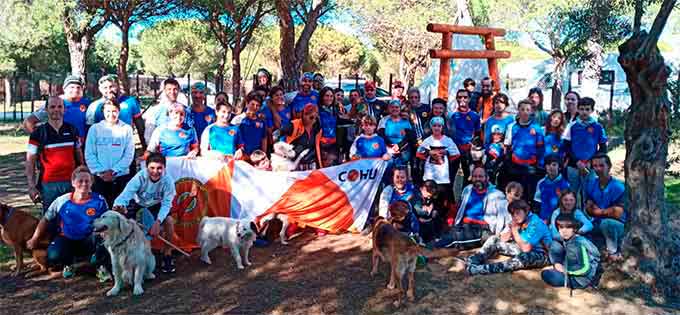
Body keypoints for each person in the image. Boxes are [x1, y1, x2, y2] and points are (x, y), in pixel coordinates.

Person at [27, 166, 109, 279]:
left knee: (103, 239)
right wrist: (34, 239)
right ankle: (69, 264)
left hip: (89, 239)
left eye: (87, 181)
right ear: (73, 183)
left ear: (92, 182)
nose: (84, 184)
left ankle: (101, 268)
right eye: (80, 181)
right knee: (53, 255)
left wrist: (105, 231)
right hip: (68, 238)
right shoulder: (62, 200)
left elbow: (108, 220)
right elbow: (45, 219)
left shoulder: (99, 200)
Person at [113, 153, 177, 274]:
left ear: (164, 168)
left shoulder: (168, 180)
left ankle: (167, 254)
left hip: (157, 206)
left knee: (169, 221)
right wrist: (118, 206)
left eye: (159, 168)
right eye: (152, 168)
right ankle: (135, 259)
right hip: (140, 206)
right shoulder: (139, 177)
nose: (155, 171)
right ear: (146, 167)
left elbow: (167, 204)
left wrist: (158, 222)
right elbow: (125, 195)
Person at [26, 96, 84, 213]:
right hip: (48, 185)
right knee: (50, 221)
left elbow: (79, 157)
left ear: (64, 109)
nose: (56, 110)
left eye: (59, 106)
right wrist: (32, 187)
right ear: (46, 110)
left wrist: (82, 178)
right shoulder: (38, 133)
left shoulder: (73, 130)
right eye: (52, 107)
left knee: (72, 217)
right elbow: (30, 162)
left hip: (71, 182)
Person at [466, 199, 552, 275]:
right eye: (512, 214)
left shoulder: (536, 223)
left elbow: (526, 248)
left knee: (523, 258)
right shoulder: (520, 220)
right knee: (494, 239)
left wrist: (514, 230)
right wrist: (511, 229)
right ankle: (474, 260)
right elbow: (503, 239)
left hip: (542, 255)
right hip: (522, 249)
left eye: (518, 213)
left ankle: (482, 269)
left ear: (526, 211)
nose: (515, 216)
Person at [432, 167, 510, 249]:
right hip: (464, 225)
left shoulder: (497, 195)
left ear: (487, 178)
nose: (477, 179)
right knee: (443, 235)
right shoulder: (467, 189)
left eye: (480, 176)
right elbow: (458, 207)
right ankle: (427, 249)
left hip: (482, 229)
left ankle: (428, 251)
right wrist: (451, 220)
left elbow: (507, 216)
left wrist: (506, 232)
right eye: (475, 176)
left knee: (453, 240)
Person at [85, 99, 136, 207]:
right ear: (103, 112)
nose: (111, 114)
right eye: (108, 111)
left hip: (120, 177)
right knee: (99, 211)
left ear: (118, 111)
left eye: (114, 111)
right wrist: (101, 172)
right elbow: (89, 154)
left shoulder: (126, 129)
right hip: (100, 178)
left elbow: (129, 154)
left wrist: (114, 171)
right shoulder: (95, 129)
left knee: (119, 211)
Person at [562, 97, 608, 207]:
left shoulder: (598, 127)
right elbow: (566, 146)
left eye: (587, 109)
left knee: (588, 192)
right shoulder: (572, 126)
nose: (584, 112)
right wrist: (577, 161)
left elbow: (602, 148)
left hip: (590, 166)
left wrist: (592, 162)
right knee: (572, 193)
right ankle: (572, 216)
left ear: (592, 110)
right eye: (582, 109)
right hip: (573, 166)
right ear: (578, 109)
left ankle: (588, 217)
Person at [584, 153, 626, 262]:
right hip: (597, 222)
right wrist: (606, 211)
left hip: (619, 225)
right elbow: (588, 208)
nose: (598, 169)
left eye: (601, 165)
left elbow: (618, 213)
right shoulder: (591, 184)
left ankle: (613, 253)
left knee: (607, 223)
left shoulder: (618, 187)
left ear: (609, 166)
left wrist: (598, 212)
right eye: (595, 166)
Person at [542, 214, 601, 289]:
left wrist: (565, 270)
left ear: (574, 229)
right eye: (561, 228)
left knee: (546, 274)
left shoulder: (577, 244)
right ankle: (557, 265)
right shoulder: (569, 239)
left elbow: (585, 268)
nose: (564, 231)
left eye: (568, 227)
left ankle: (558, 269)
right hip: (572, 267)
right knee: (555, 244)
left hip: (580, 279)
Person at [85, 74, 146, 149]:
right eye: (105, 88)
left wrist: (145, 147)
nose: (109, 90)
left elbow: (140, 127)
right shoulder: (93, 106)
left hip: (126, 145)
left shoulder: (130, 102)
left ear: (117, 86)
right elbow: (89, 132)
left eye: (111, 86)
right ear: (100, 89)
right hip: (103, 147)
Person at [23, 75, 90, 141]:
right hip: (61, 146)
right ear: (64, 89)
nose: (75, 90)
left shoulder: (87, 104)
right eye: (72, 87)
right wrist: (40, 140)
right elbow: (28, 122)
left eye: (78, 87)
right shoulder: (56, 103)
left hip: (82, 147)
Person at [504, 99, 545, 200]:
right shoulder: (511, 127)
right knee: (515, 193)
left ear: (531, 111)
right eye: (522, 109)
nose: (525, 112)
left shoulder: (537, 128)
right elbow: (507, 146)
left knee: (528, 194)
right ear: (518, 110)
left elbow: (540, 148)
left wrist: (539, 164)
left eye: (528, 109)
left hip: (531, 167)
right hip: (515, 166)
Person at [415, 117, 460, 203]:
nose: (436, 128)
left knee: (444, 196)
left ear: (442, 127)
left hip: (443, 174)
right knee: (429, 195)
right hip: (429, 174)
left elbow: (457, 154)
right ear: (431, 127)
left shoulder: (448, 140)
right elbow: (418, 153)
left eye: (439, 126)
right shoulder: (427, 141)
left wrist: (446, 154)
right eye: (434, 126)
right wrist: (428, 154)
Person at [448, 89, 481, 188]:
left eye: (465, 97)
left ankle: (465, 198)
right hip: (454, 150)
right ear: (456, 99)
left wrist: (473, 144)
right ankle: (450, 201)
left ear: (469, 99)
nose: (462, 99)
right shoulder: (451, 115)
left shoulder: (475, 116)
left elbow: (478, 134)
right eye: (460, 97)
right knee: (450, 176)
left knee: (468, 177)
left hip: (468, 151)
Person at [144, 78, 192, 144]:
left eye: (175, 89)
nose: (172, 92)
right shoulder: (155, 111)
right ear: (164, 91)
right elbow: (148, 136)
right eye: (169, 89)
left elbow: (190, 131)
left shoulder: (185, 110)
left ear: (178, 91)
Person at [280, 104, 322, 170]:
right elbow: (277, 135)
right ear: (302, 114)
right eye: (310, 117)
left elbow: (317, 147)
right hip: (293, 164)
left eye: (314, 118)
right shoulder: (293, 125)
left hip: (310, 164)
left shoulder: (317, 127)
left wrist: (320, 166)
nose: (312, 120)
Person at [378, 100, 415, 167]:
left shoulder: (405, 120)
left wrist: (399, 146)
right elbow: (381, 135)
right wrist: (390, 146)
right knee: (389, 162)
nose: (394, 109)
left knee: (403, 160)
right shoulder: (384, 120)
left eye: (397, 107)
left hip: (403, 147)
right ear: (389, 108)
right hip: (388, 147)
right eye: (392, 107)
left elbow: (409, 137)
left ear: (400, 109)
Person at [534, 155, 570, 221]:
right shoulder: (540, 183)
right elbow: (537, 202)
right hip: (543, 219)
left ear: (559, 167)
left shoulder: (565, 184)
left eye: (554, 165)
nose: (551, 167)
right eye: (548, 165)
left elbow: (566, 205)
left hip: (559, 219)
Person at [318, 87, 341, 166]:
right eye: (327, 96)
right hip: (321, 144)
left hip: (333, 144)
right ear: (322, 97)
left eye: (331, 96)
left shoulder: (335, 110)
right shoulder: (317, 110)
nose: (329, 98)